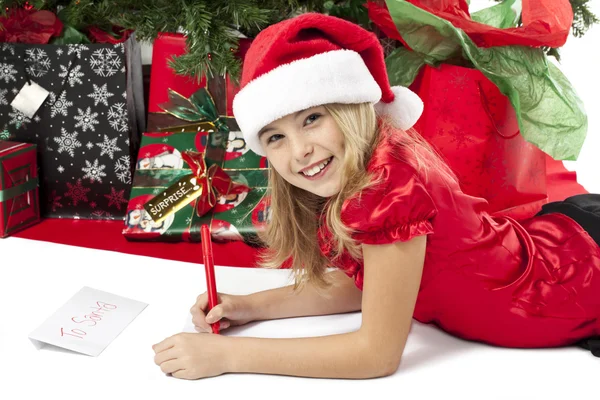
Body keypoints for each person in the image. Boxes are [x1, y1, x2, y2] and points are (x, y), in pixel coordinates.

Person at [152, 13, 600, 379]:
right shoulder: (365, 159)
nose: (299, 150)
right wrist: (250, 305)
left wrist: (229, 359)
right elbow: (377, 284)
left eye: (311, 118)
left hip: (567, 288)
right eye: (275, 137)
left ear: (350, 106)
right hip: (542, 247)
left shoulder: (389, 186)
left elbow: (376, 355)